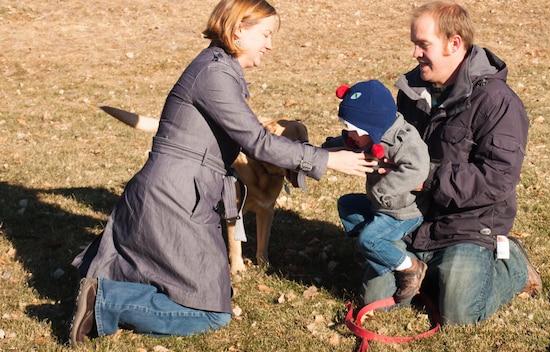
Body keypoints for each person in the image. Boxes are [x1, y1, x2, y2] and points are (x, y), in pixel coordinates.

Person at [68, 0, 377, 345]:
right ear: (238, 30)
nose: (270, 45)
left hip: (184, 192)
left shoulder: (219, 69)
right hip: (174, 197)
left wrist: (327, 150)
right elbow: (258, 141)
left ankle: (105, 291)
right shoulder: (214, 75)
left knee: (211, 290)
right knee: (212, 312)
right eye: (266, 34)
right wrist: (327, 161)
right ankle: (107, 301)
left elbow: (259, 141)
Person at [337, 1, 542, 325]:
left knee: (459, 313)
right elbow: (387, 139)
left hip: (469, 225)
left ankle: (512, 262)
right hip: (412, 217)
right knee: (377, 300)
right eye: (414, 45)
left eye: (423, 45)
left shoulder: (497, 102)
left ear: (454, 43)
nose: (416, 54)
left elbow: (498, 178)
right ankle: (431, 272)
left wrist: (426, 179)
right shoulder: (410, 91)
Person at [332, 80, 430, 305]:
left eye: (354, 131)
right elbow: (346, 144)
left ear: (372, 128)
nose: (351, 136)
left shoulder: (403, 141)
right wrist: (320, 152)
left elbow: (418, 169)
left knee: (369, 239)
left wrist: (385, 189)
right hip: (380, 205)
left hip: (402, 212)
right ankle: (373, 252)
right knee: (347, 205)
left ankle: (411, 268)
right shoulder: (369, 135)